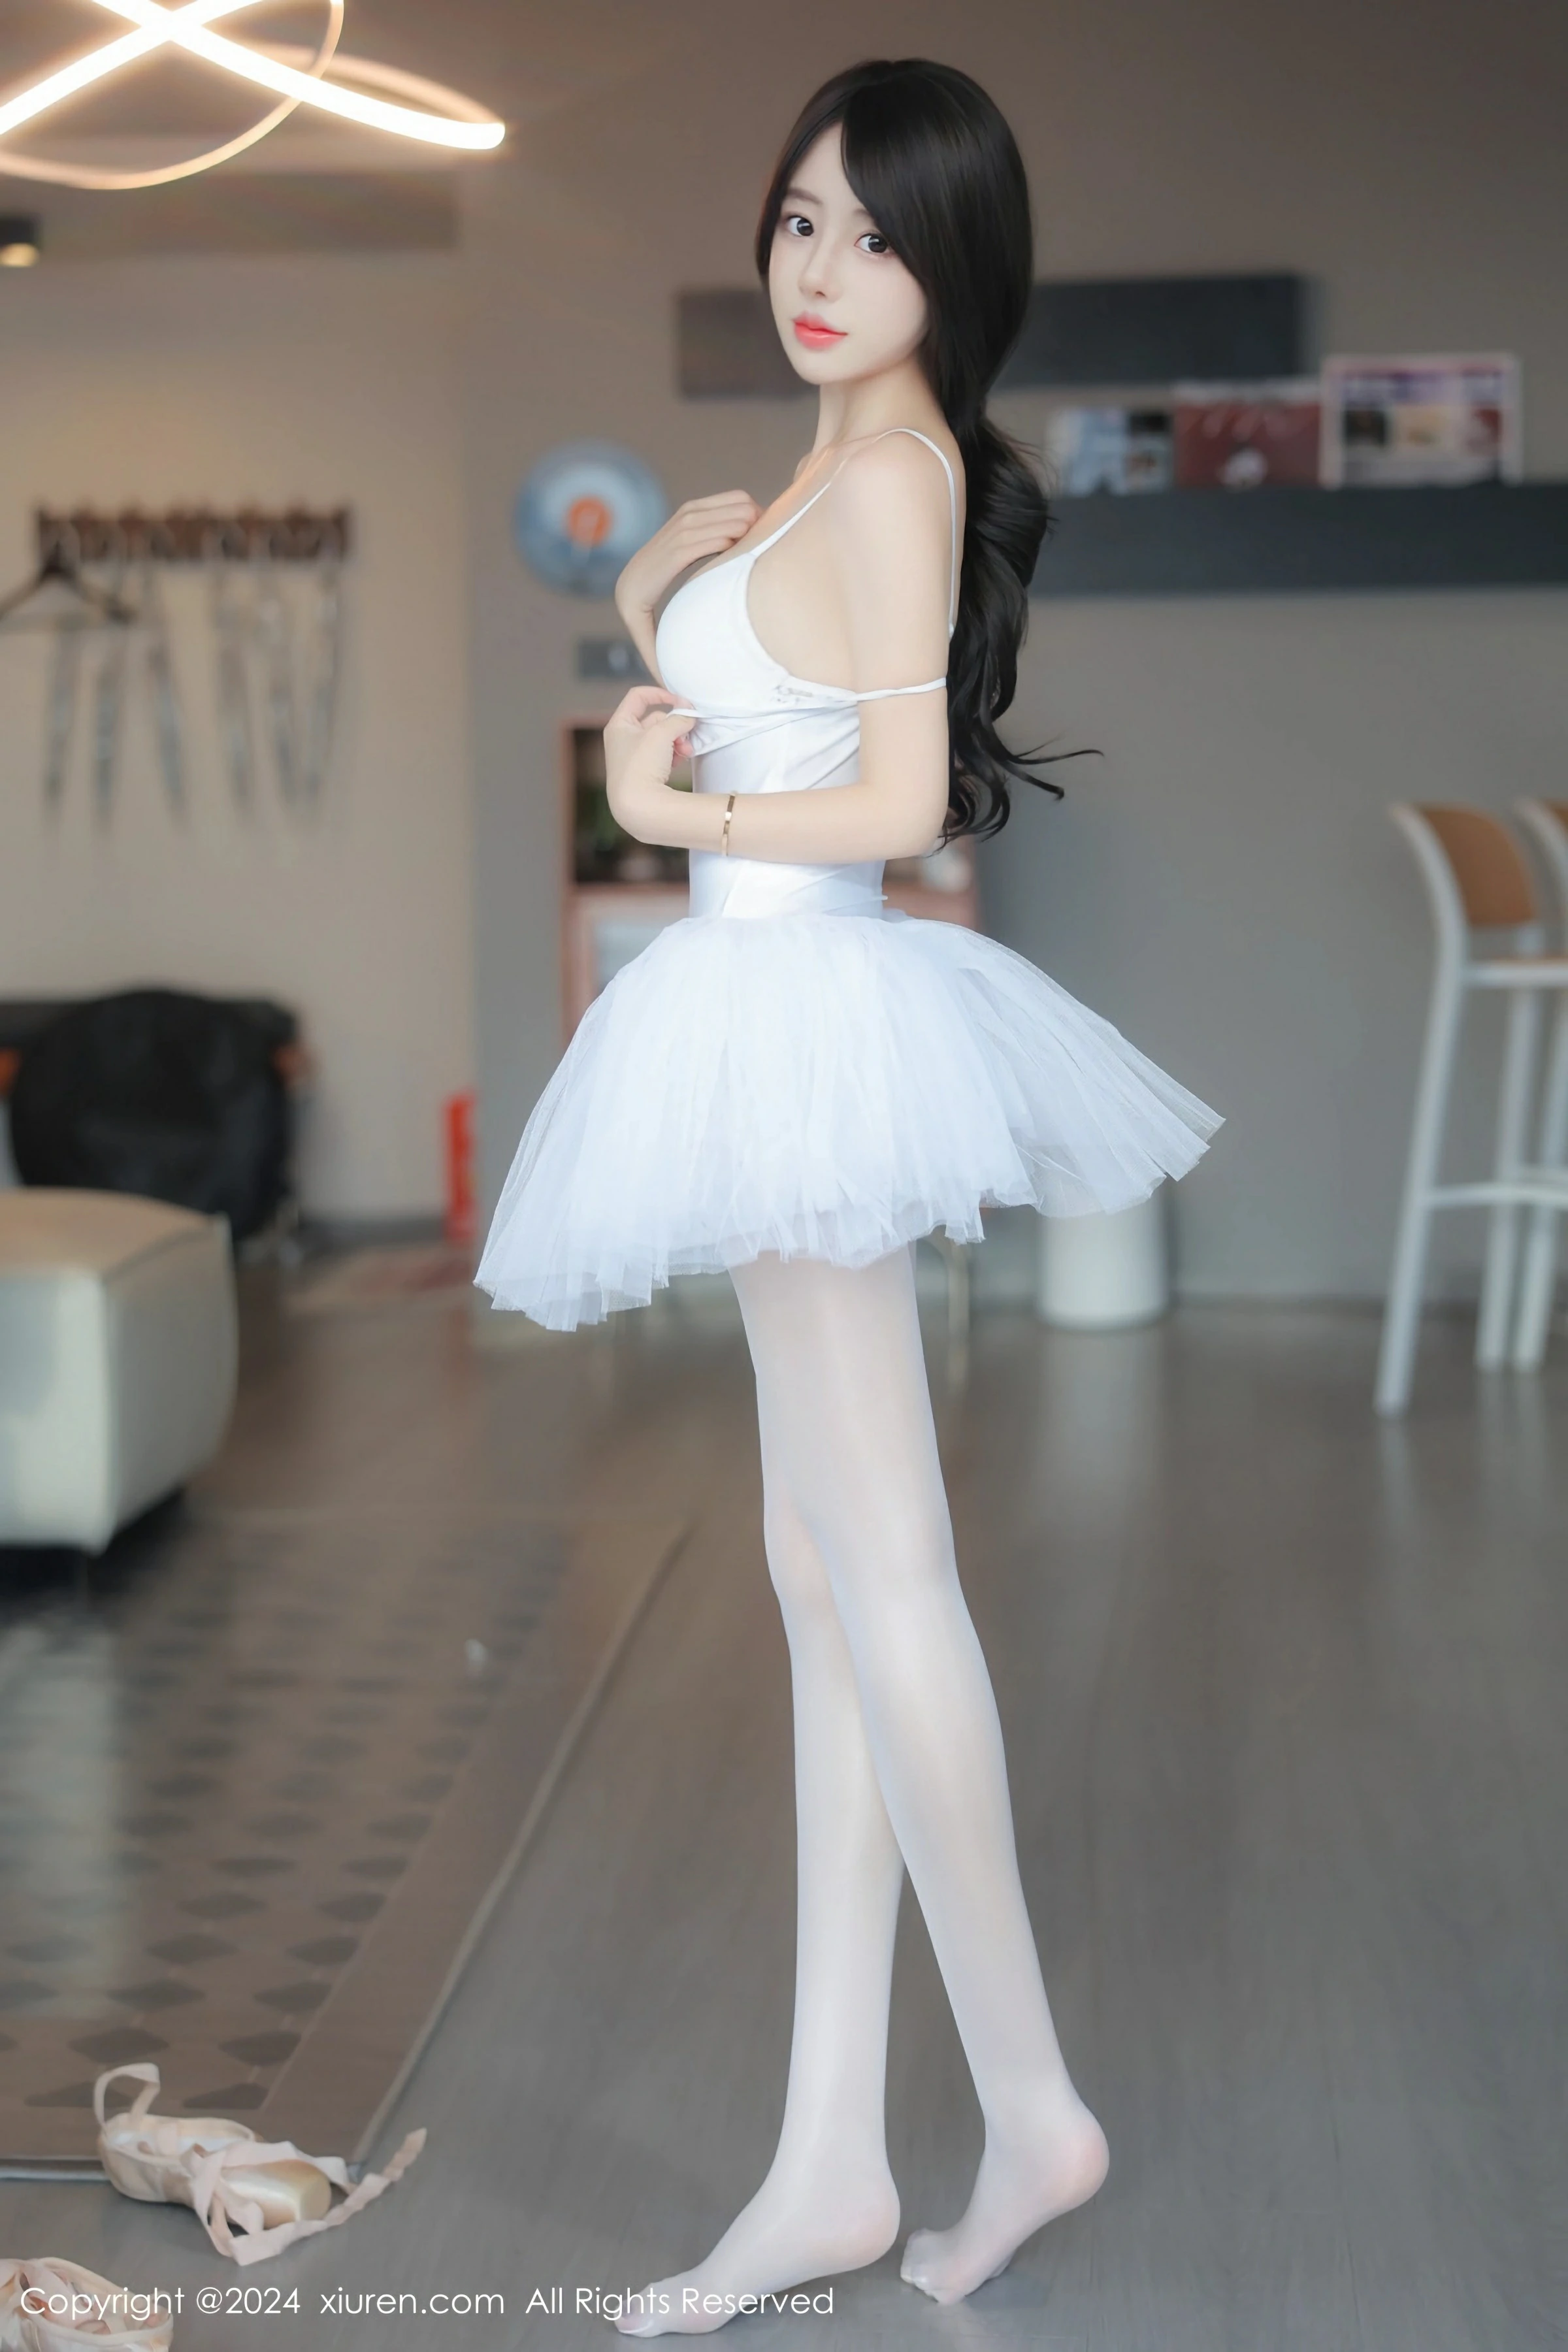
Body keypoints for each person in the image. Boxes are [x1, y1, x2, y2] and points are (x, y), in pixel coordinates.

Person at [476, 57, 1220, 2334]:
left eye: (877, 236)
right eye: (803, 218)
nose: (823, 268)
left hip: (803, 1007)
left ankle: (1030, 2108)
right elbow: (767, 691)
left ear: (952, 268)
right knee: (822, 1572)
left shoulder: (894, 475)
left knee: (881, 1568)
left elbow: (891, 802)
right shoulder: (820, 470)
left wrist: (665, 812)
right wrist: (649, 594)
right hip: (765, 1005)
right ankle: (826, 2156)